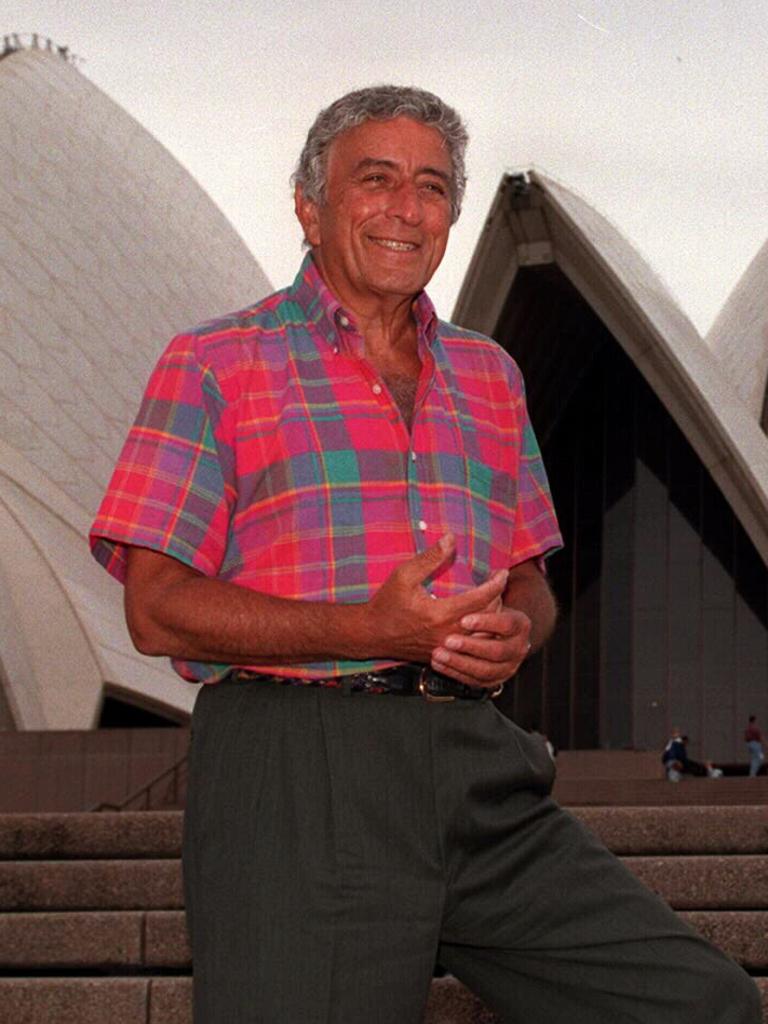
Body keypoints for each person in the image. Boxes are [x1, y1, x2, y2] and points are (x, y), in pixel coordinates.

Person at [90, 86, 760, 1024]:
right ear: (308, 204)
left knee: (701, 1003)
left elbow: (530, 576)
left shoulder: (490, 376)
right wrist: (367, 628)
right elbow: (154, 606)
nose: (409, 207)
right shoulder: (216, 362)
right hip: (298, 765)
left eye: (434, 187)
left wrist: (516, 633)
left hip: (476, 761)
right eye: (378, 179)